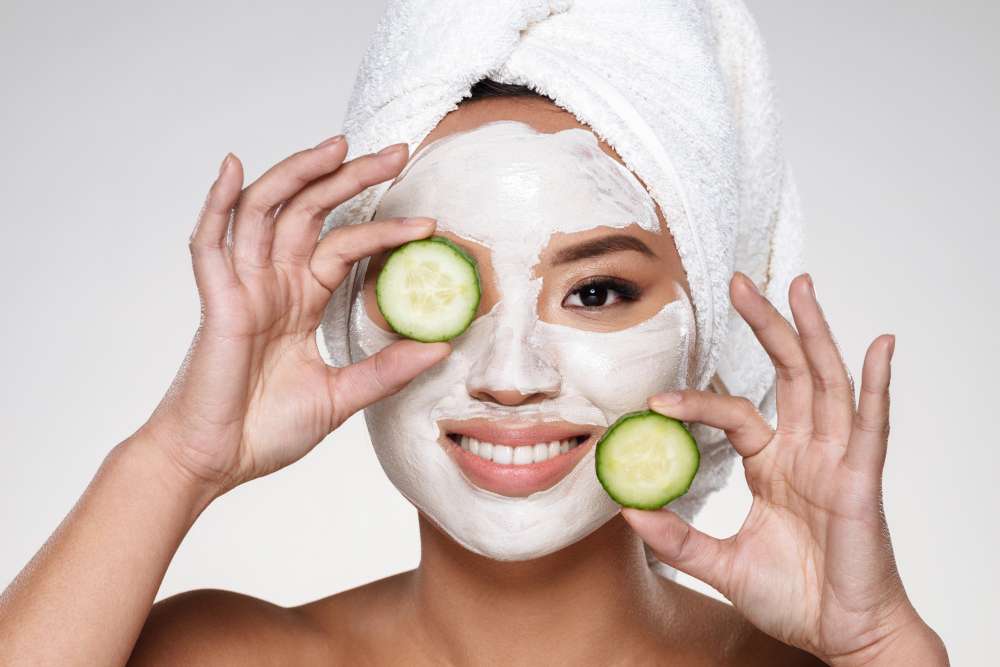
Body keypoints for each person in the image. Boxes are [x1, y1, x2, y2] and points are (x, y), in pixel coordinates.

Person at [1, 6, 949, 667]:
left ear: (707, 336)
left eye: (600, 290)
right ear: (353, 309)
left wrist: (879, 648)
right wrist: (178, 456)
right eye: (446, 289)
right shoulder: (219, 656)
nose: (510, 376)